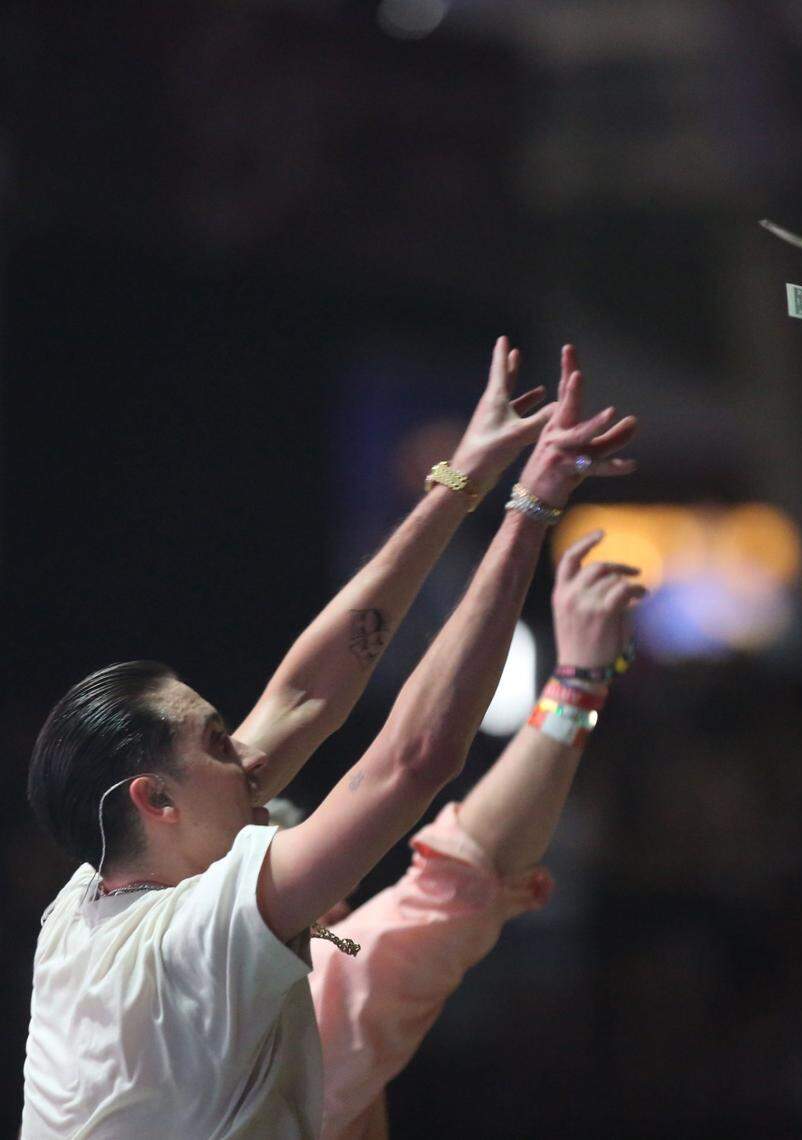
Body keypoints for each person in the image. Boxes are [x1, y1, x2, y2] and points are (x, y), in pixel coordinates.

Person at [21, 340, 637, 1139]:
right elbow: (417, 762)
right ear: (156, 798)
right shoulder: (202, 942)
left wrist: (463, 481)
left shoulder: (83, 904)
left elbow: (304, 696)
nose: (248, 755)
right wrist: (531, 511)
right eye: (218, 743)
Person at [298, 529, 645, 1140]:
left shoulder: (84, 952)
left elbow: (287, 704)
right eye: (264, 836)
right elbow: (460, 868)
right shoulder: (295, 1001)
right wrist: (579, 681)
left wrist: (468, 494)